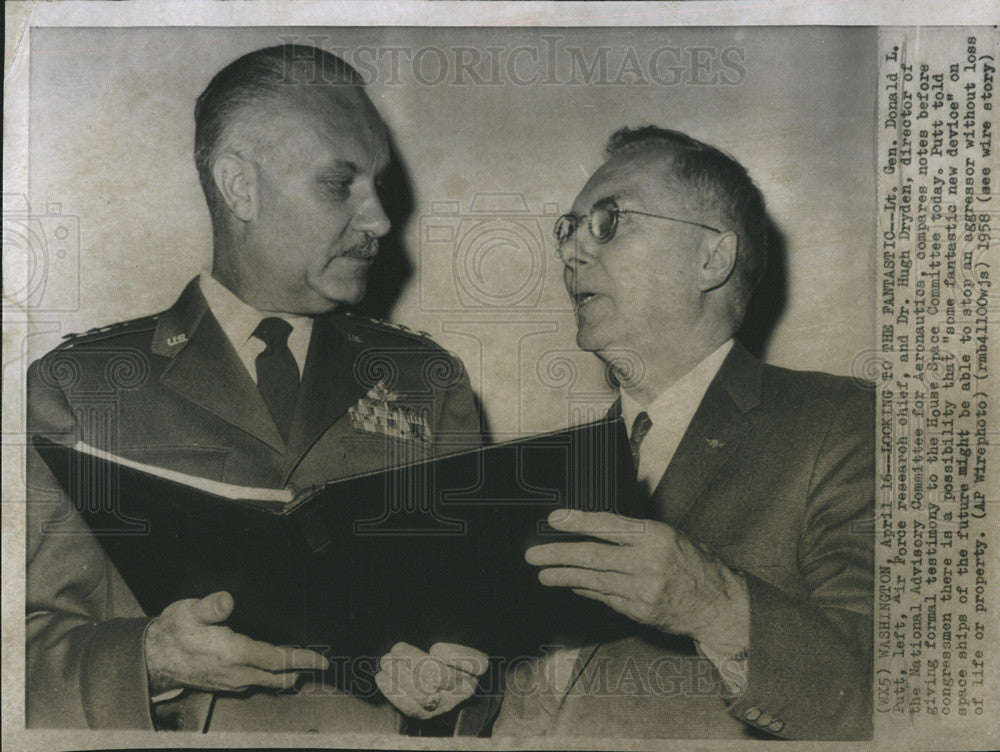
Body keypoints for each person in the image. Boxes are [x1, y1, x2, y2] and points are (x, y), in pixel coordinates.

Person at [25, 44, 493, 734]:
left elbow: (489, 637)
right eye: (340, 185)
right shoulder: (78, 388)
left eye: (379, 186)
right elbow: (21, 655)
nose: (379, 222)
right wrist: (152, 661)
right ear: (239, 186)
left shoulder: (427, 382)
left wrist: (456, 683)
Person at [494, 126, 874, 740]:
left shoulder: (842, 423)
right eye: (568, 229)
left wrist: (715, 605)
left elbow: (900, 690)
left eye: (609, 220)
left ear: (712, 258)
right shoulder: (546, 465)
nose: (570, 254)